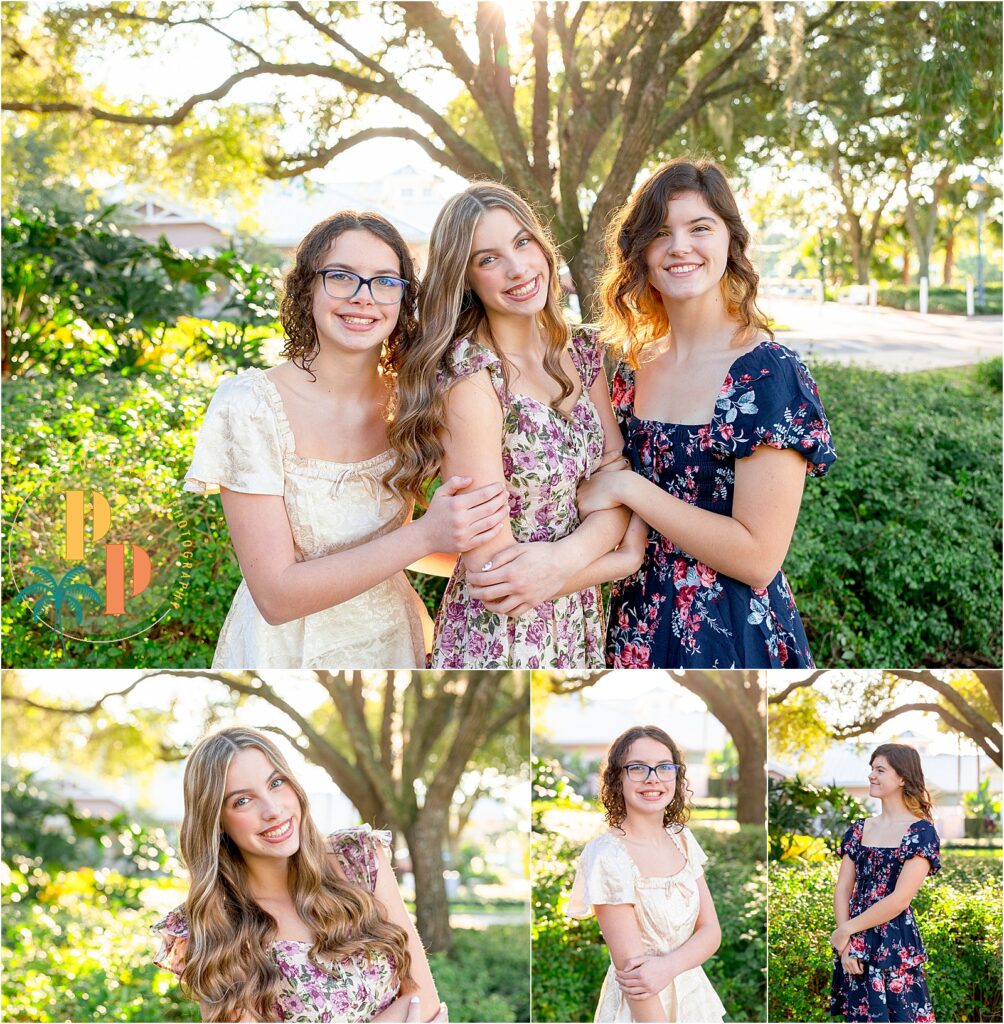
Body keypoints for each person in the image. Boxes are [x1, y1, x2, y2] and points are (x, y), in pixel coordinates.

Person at [184, 211, 508, 669]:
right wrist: (426, 533)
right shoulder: (250, 405)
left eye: (384, 282)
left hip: (393, 644)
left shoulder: (414, 401)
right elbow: (276, 595)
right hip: (287, 653)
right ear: (306, 288)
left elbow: (424, 551)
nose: (363, 298)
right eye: (341, 277)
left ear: (403, 297)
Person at [577, 158, 836, 669]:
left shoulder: (766, 373)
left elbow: (759, 558)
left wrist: (631, 489)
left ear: (729, 242)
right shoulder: (632, 367)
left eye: (700, 228)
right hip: (637, 628)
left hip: (732, 635)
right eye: (660, 232)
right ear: (641, 253)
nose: (680, 247)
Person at [387, 182, 646, 669]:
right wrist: (620, 560)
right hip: (502, 639)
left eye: (523, 242)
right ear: (465, 278)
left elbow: (618, 484)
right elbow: (496, 575)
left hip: (578, 618)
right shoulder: (469, 375)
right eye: (488, 259)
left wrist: (562, 560)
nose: (517, 268)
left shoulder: (582, 354)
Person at [152, 726, 445, 1023]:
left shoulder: (358, 860)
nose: (273, 810)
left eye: (276, 783)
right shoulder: (216, 926)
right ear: (216, 821)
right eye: (242, 800)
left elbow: (424, 1000)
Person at [567, 726, 725, 1023]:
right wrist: (659, 974)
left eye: (664, 767)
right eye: (638, 768)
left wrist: (667, 967)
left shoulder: (681, 839)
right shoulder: (607, 856)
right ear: (618, 778)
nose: (653, 778)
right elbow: (635, 978)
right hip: (643, 1012)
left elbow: (711, 932)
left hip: (694, 1001)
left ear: (676, 776)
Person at [829, 743, 940, 1023]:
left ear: (902, 778)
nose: (871, 776)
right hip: (856, 944)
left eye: (880, 770)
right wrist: (846, 945)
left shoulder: (921, 832)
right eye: (871, 769)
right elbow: (843, 888)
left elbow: (900, 899)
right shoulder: (859, 829)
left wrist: (846, 931)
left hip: (894, 944)